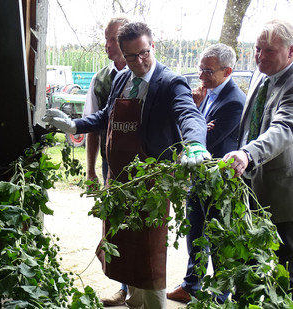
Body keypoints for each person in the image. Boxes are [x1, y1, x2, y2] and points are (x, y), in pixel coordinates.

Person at [43, 21, 209, 308]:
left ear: (152, 46)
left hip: (151, 185)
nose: (140, 61)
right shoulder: (122, 79)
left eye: (144, 53)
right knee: (124, 248)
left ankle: (155, 305)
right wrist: (74, 125)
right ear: (122, 54)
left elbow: (188, 114)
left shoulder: (170, 83)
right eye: (131, 57)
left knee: (149, 254)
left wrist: (195, 142)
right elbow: (105, 116)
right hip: (120, 181)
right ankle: (134, 300)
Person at [167, 43, 245, 304]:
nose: (201, 77)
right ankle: (192, 285)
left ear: (227, 71)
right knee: (195, 231)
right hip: (199, 176)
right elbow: (197, 129)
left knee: (218, 237)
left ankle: (220, 294)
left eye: (208, 72)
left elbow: (207, 142)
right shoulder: (207, 94)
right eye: (200, 70)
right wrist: (198, 112)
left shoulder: (234, 101)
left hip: (220, 181)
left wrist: (198, 124)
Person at [223, 19, 293, 288]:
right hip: (248, 188)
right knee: (247, 266)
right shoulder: (259, 74)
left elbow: (283, 128)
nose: (260, 57)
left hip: (281, 197)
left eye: (269, 51)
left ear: (291, 52)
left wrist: (248, 154)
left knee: (282, 274)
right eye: (257, 49)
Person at [81, 16, 130, 307]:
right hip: (111, 166)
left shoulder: (153, 75)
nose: (107, 45)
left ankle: (144, 287)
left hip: (145, 168)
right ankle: (123, 287)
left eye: (112, 39)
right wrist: (90, 171)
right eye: (107, 38)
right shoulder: (101, 80)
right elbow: (93, 128)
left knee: (143, 228)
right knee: (117, 227)